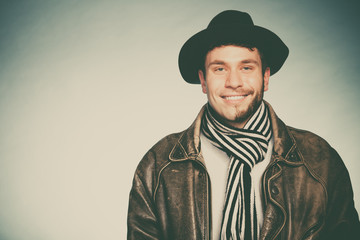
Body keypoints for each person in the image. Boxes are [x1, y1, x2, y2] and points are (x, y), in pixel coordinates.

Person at [127, 10, 359, 239]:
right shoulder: (157, 166)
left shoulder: (320, 162)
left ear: (265, 78)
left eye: (246, 67)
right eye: (219, 69)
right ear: (203, 81)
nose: (234, 82)